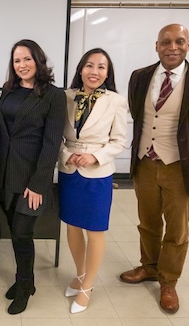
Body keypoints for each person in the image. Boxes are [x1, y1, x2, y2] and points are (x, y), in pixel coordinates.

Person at [119, 23, 189, 314]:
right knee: (148, 222)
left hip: (181, 168)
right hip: (145, 164)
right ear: (157, 46)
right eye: (166, 42)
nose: (172, 47)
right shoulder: (140, 77)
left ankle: (168, 281)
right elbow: (138, 112)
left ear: (188, 45)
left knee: (177, 229)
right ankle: (150, 267)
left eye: (179, 41)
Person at [0, 39, 66, 314]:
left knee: (23, 233)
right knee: (14, 232)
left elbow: (51, 144)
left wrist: (38, 185)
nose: (21, 65)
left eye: (27, 59)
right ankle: (27, 280)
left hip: (32, 179)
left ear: (38, 61)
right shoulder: (9, 91)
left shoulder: (53, 96)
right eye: (16, 60)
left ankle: (24, 287)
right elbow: (1, 133)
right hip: (4, 174)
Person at [57, 48, 127, 314]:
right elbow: (57, 136)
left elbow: (119, 140)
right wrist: (66, 155)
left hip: (97, 174)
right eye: (89, 65)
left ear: (107, 73)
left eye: (101, 67)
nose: (94, 72)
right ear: (80, 69)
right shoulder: (66, 97)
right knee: (72, 226)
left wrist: (95, 156)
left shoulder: (115, 101)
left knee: (95, 230)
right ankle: (79, 273)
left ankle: (88, 286)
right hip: (69, 169)